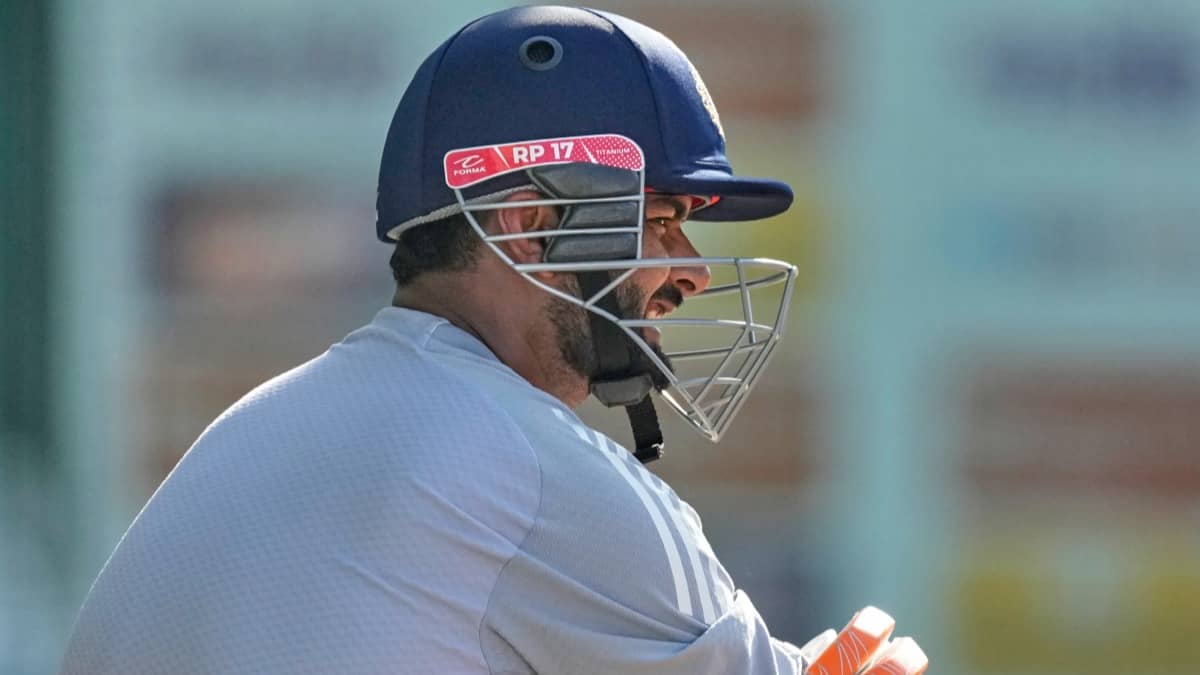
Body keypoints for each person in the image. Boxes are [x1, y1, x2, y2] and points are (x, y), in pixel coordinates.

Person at [61, 6, 926, 674]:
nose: (691, 268)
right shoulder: (528, 463)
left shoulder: (259, 422)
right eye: (659, 219)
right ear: (528, 226)